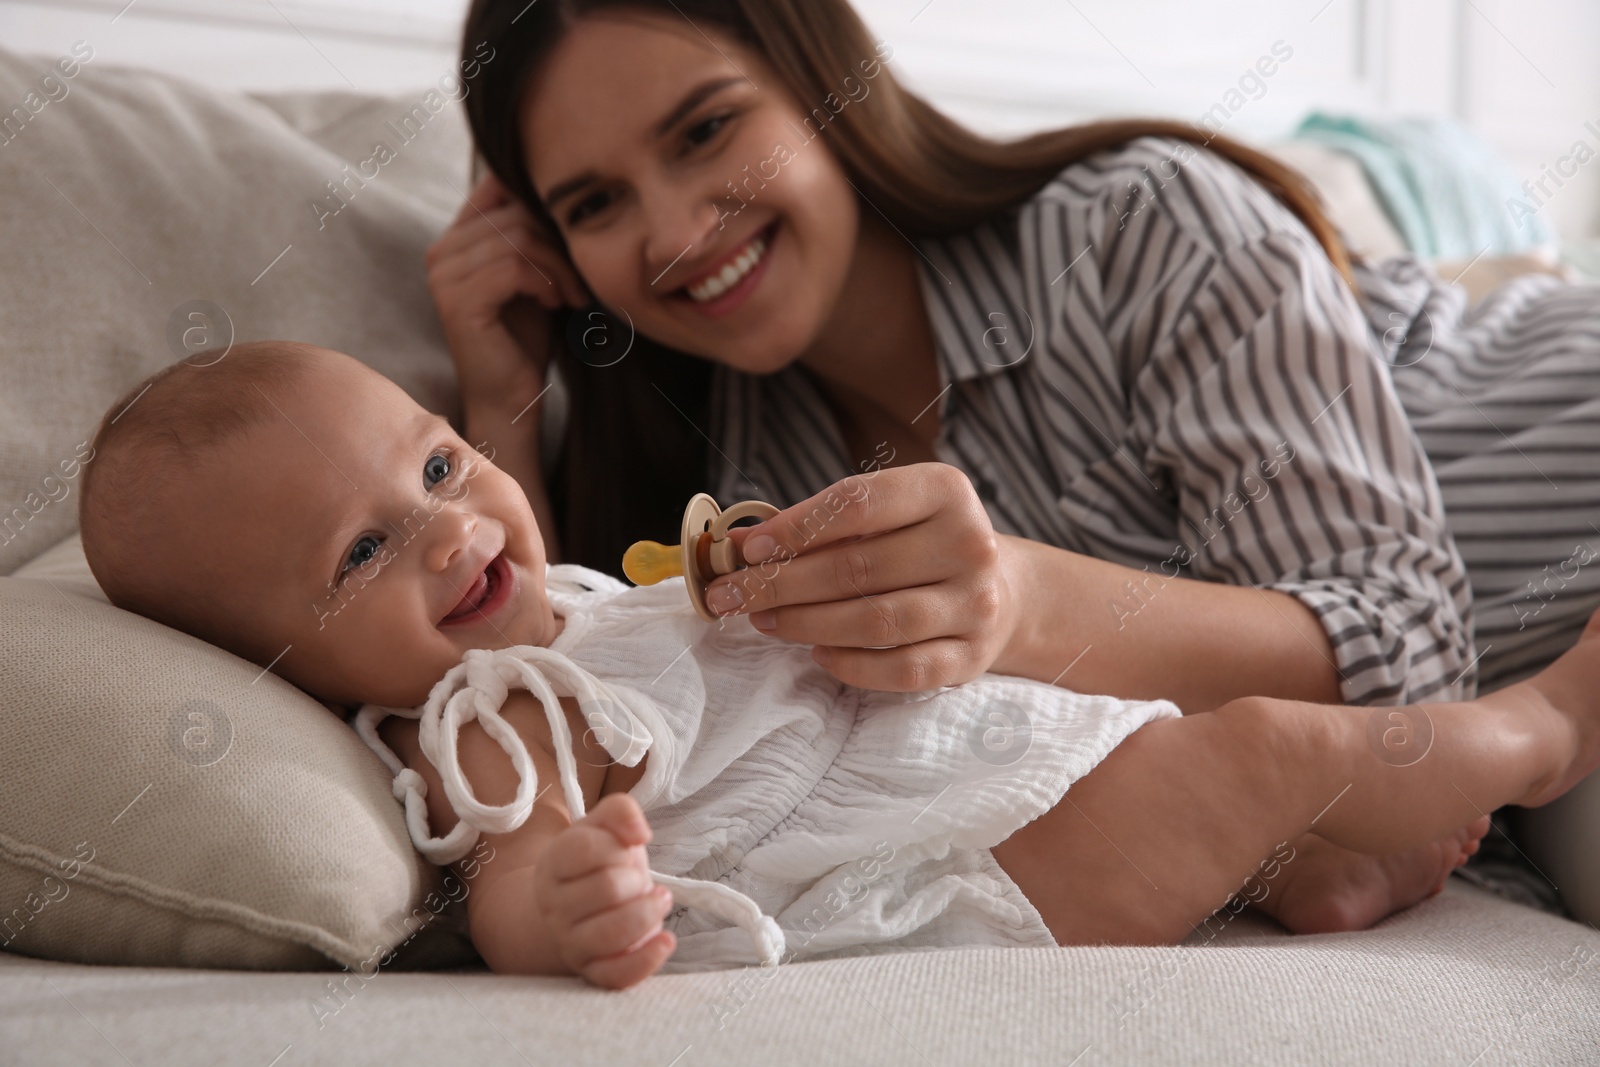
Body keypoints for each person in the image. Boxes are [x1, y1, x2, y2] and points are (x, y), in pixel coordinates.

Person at [78, 343, 1600, 990]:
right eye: (358, 552)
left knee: (1237, 805)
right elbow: (512, 870)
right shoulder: (480, 712)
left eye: (439, 458)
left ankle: (1312, 881)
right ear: (283, 665)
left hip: (976, 760)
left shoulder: (572, 603)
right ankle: (1537, 732)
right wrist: (564, 907)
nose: (445, 527)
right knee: (1261, 741)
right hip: (958, 858)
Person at [429, 0, 1600, 719]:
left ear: (823, 80)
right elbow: (571, 714)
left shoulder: (1145, 225)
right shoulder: (738, 468)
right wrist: (501, 395)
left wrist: (1030, 603)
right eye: (594, 203)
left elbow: (1409, 656)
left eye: (705, 130)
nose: (679, 230)